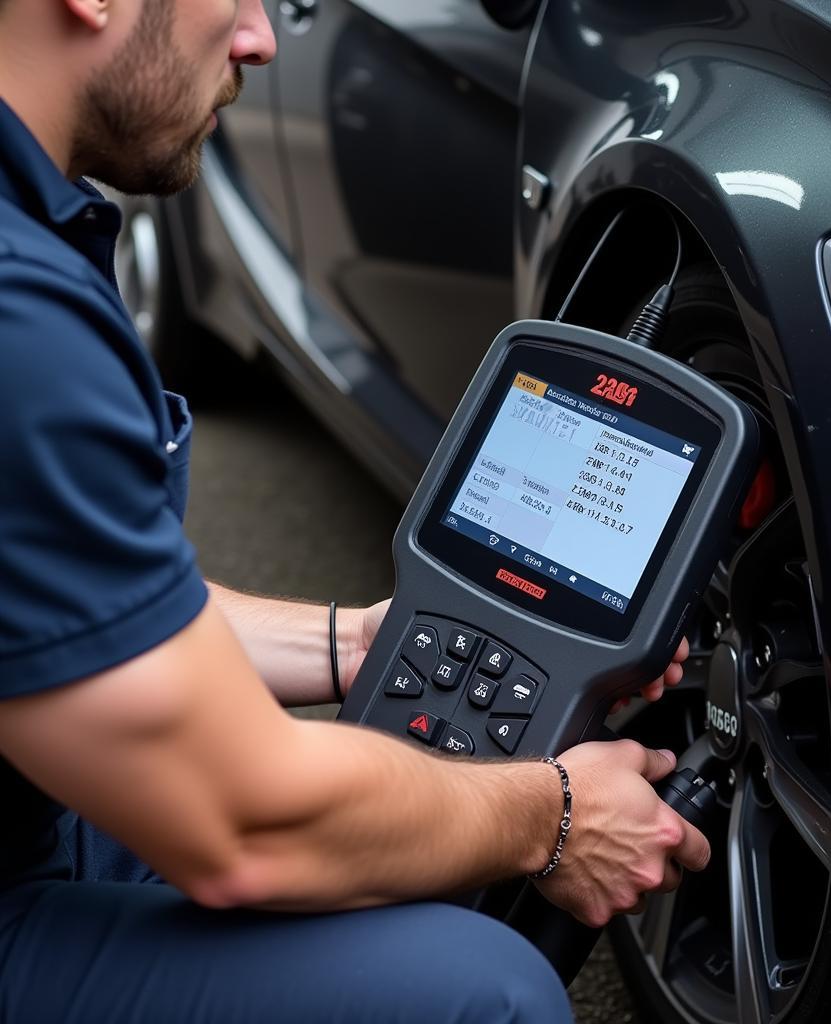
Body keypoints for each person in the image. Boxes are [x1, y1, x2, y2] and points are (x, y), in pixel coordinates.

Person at [0, 1, 711, 1021]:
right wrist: (556, 818)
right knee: (486, 988)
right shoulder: (22, 322)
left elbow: (78, 606)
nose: (261, 36)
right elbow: (243, 827)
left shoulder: (31, 231)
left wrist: (359, 641)